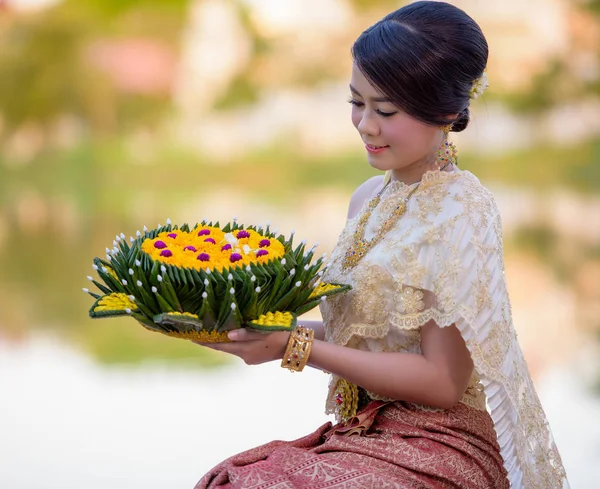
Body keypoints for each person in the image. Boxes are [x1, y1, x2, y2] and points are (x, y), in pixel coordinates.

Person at [194, 2, 569, 488]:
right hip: (369, 426)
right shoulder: (368, 198)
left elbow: (442, 381)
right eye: (356, 102)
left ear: (449, 112)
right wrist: (256, 330)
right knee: (229, 479)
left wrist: (295, 347)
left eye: (385, 110)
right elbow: (363, 331)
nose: (365, 125)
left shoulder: (462, 211)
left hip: (443, 440)